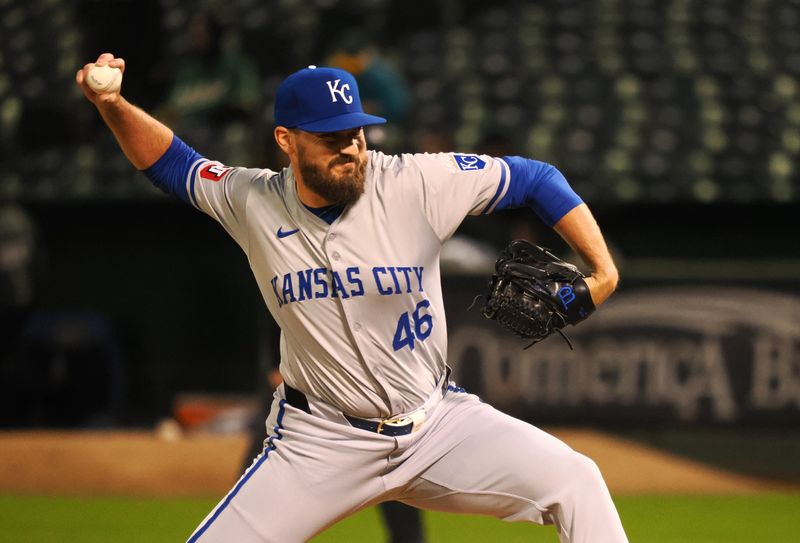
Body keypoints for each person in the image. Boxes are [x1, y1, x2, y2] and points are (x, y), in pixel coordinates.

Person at [76, 53, 627, 543]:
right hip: (319, 441)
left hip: (437, 425)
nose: (351, 149)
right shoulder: (252, 200)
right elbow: (173, 164)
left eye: (357, 134)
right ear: (287, 141)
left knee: (577, 482)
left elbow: (535, 177)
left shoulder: (416, 183)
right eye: (331, 137)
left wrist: (602, 271)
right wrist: (114, 104)